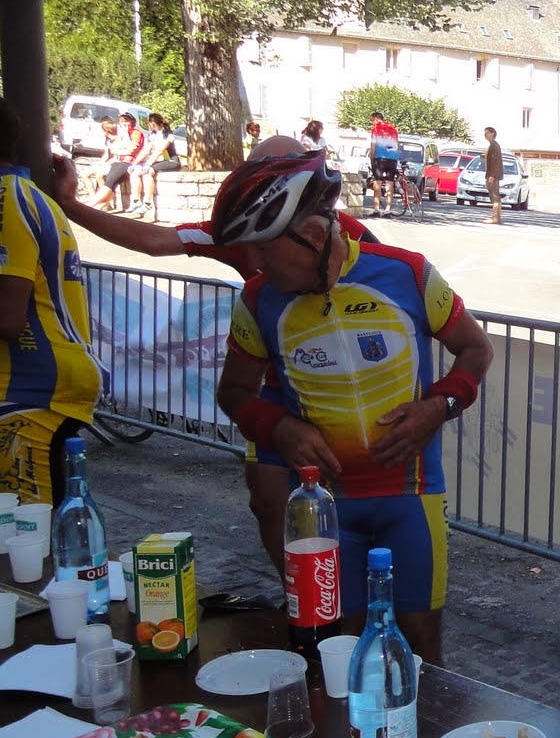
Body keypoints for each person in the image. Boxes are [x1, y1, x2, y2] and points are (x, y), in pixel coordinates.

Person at [214, 146, 493, 663]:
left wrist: (439, 406)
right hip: (325, 504)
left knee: (421, 646)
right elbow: (232, 393)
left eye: (264, 250)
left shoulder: (408, 274)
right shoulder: (257, 301)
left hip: (410, 495)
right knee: (339, 649)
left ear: (312, 235)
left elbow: (476, 350)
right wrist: (277, 427)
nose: (255, 265)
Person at [55, 136, 375, 578]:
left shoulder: (346, 232)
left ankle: (350, 590)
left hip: (344, 381)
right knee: (267, 500)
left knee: (350, 499)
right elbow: (154, 240)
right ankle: (296, 592)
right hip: (279, 380)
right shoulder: (237, 226)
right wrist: (70, 205)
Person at [0, 98, 100, 505]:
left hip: (31, 392)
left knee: (26, 533)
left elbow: (8, 317)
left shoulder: (7, 199)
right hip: (39, 386)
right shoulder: (24, 195)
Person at [126, 112, 180, 220]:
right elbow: (146, 150)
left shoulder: (168, 135)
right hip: (159, 161)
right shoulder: (153, 135)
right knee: (135, 172)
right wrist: (134, 164)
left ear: (153, 123)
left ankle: (147, 203)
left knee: (148, 172)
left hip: (171, 161)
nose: (148, 125)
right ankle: (136, 201)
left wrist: (148, 164)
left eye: (149, 123)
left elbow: (159, 150)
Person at [92, 112, 146, 213]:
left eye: (126, 121)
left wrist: (123, 141)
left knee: (109, 183)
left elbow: (132, 150)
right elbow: (113, 150)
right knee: (110, 184)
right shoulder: (120, 134)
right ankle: (98, 207)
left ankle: (90, 205)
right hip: (119, 161)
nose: (123, 124)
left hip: (129, 163)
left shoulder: (136, 133)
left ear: (132, 122)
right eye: (121, 121)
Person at [368, 111, 400, 216]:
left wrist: (371, 157)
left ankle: (377, 209)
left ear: (376, 119)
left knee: (377, 183)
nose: (372, 123)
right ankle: (387, 210)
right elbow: (397, 145)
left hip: (380, 158)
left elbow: (373, 146)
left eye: (372, 120)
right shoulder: (393, 129)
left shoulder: (376, 130)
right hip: (393, 158)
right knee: (389, 183)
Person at [484, 126, 504, 225]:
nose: (485, 135)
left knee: (494, 196)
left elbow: (495, 162)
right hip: (492, 174)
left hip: (493, 175)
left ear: (492, 134)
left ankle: (495, 218)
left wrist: (492, 176)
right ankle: (497, 217)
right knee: (495, 196)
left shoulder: (494, 146)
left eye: (487, 132)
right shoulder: (492, 145)